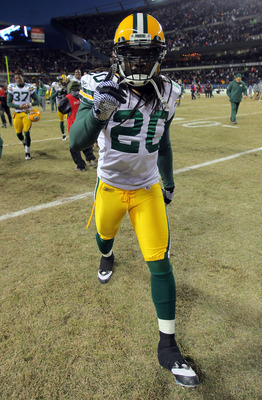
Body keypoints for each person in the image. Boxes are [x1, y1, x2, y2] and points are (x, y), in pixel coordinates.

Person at [69, 13, 199, 388]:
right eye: (132, 54)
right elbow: (77, 142)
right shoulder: (100, 85)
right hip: (109, 185)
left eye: (147, 54)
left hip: (147, 189)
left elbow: (164, 141)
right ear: (117, 55)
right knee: (103, 236)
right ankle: (107, 254)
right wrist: (98, 112)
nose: (139, 62)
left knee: (160, 262)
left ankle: (168, 346)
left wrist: (169, 180)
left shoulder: (170, 92)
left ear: (160, 55)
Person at [58, 80, 96, 170]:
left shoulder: (67, 99)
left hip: (74, 127)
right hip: (85, 124)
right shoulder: (85, 97)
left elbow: (61, 109)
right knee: (86, 143)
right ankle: (91, 160)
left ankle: (81, 165)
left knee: (74, 147)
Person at [7, 72, 39, 160]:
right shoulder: (12, 87)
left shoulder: (29, 87)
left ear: (22, 78)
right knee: (18, 134)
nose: (18, 80)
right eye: (16, 78)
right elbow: (8, 103)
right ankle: (24, 142)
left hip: (27, 113)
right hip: (17, 113)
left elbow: (37, 101)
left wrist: (30, 104)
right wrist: (18, 106)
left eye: (19, 78)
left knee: (27, 132)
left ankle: (27, 152)